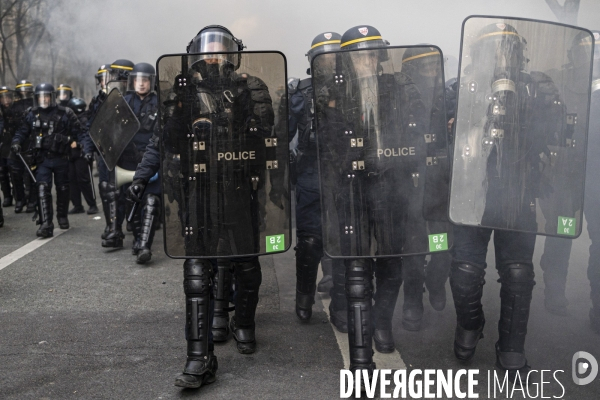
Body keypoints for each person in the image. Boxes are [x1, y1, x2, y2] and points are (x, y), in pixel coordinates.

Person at [128, 25, 283, 388]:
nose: (213, 56)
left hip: (239, 189)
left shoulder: (250, 87)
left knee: (245, 263)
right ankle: (198, 358)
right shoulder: (184, 90)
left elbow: (265, 136)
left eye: (220, 50)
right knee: (197, 272)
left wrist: (244, 108)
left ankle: (243, 323)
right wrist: (140, 175)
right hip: (197, 190)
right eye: (207, 50)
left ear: (233, 55)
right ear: (196, 53)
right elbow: (164, 140)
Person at [448, 21, 592, 379]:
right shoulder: (460, 89)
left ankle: (511, 346)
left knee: (517, 273)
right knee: (465, 271)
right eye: (494, 49)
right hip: (472, 194)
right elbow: (439, 138)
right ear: (479, 54)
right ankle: (470, 323)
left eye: (508, 49)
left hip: (519, 193)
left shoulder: (539, 88)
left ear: (520, 55)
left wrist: (530, 113)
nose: (502, 57)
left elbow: (562, 135)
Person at [291, 31, 343, 323]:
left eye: (336, 55)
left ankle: (342, 305)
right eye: (324, 56)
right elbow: (280, 136)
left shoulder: (354, 89)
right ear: (313, 60)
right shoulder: (300, 92)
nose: (331, 61)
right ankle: (304, 296)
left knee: (345, 239)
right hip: (311, 171)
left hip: (346, 172)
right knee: (310, 241)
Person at [11, 83, 93, 237]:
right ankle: (45, 223)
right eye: (41, 96)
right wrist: (16, 143)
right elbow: (22, 131)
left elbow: (80, 132)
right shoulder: (31, 114)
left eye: (46, 96)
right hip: (42, 159)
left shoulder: (65, 113)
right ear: (36, 98)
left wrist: (84, 148)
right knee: (42, 188)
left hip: (62, 158)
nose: (44, 99)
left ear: (52, 97)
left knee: (62, 189)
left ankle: (62, 216)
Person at [87, 60, 135, 247]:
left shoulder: (128, 98)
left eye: (111, 77)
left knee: (126, 191)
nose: (107, 81)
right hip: (106, 153)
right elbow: (90, 127)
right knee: (107, 190)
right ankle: (113, 227)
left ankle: (130, 222)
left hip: (127, 152)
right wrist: (89, 148)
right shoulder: (98, 100)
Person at [122, 62, 160, 263]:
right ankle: (137, 240)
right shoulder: (125, 101)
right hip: (129, 158)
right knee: (132, 197)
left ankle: (145, 245)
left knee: (151, 200)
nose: (141, 84)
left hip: (151, 157)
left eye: (145, 80)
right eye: (137, 80)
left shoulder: (159, 102)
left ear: (151, 82)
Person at [65, 97, 98, 215]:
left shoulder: (83, 120)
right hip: (71, 153)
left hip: (81, 153)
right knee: (72, 180)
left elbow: (86, 135)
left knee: (83, 179)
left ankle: (92, 204)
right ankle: (77, 205)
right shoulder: (69, 119)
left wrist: (79, 145)